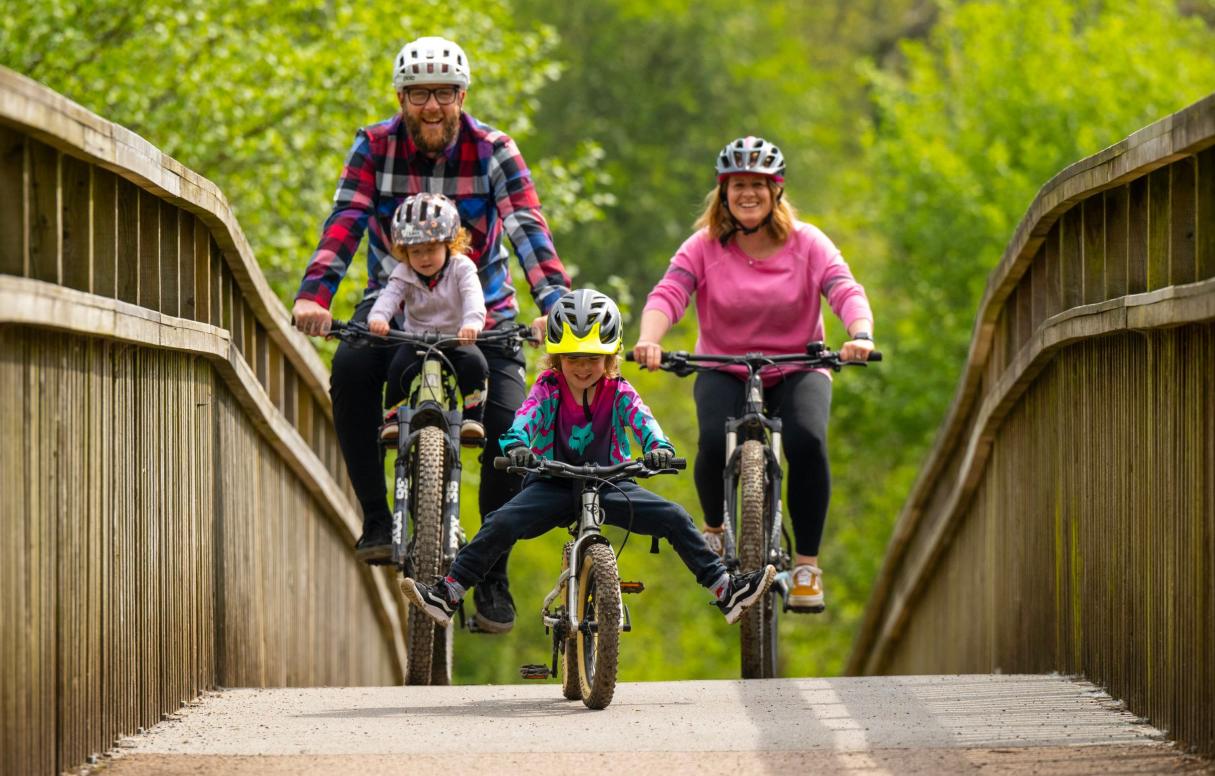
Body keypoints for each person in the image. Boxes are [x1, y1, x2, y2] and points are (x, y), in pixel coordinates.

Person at [291, 36, 571, 634]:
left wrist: (552, 302)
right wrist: (316, 294)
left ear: (462, 96)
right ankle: (373, 518)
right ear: (402, 97)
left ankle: (491, 569)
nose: (433, 106)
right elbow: (345, 218)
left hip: (483, 312)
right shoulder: (374, 145)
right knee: (350, 372)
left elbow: (526, 225)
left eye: (444, 93)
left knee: (512, 423)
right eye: (420, 94)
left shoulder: (494, 150)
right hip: (393, 312)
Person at [403, 289, 777, 627]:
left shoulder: (619, 390)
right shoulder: (548, 388)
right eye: (574, 359)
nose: (583, 368)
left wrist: (658, 448)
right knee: (500, 523)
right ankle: (449, 592)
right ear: (558, 357)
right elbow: (526, 417)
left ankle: (726, 590)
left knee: (676, 518)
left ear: (610, 357)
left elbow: (642, 419)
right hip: (552, 482)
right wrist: (516, 444)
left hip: (612, 484)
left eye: (594, 359)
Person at [632, 136, 875, 611]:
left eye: (758, 186)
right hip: (724, 365)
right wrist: (650, 340)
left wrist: (860, 334)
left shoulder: (808, 243)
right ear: (723, 192)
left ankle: (806, 566)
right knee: (710, 437)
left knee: (808, 440)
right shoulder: (703, 247)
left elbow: (843, 287)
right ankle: (716, 531)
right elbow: (669, 293)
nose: (748, 194)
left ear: (776, 192)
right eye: (738, 184)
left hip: (799, 365)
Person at [369, 193, 487, 445]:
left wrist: (472, 324)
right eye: (416, 251)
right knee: (398, 369)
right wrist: (379, 317)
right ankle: (392, 419)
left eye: (431, 249)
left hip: (456, 338)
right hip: (416, 339)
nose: (424, 258)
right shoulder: (404, 273)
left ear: (449, 244)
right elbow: (389, 297)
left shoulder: (462, 268)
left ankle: (473, 418)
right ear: (404, 251)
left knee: (475, 365)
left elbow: (473, 297)